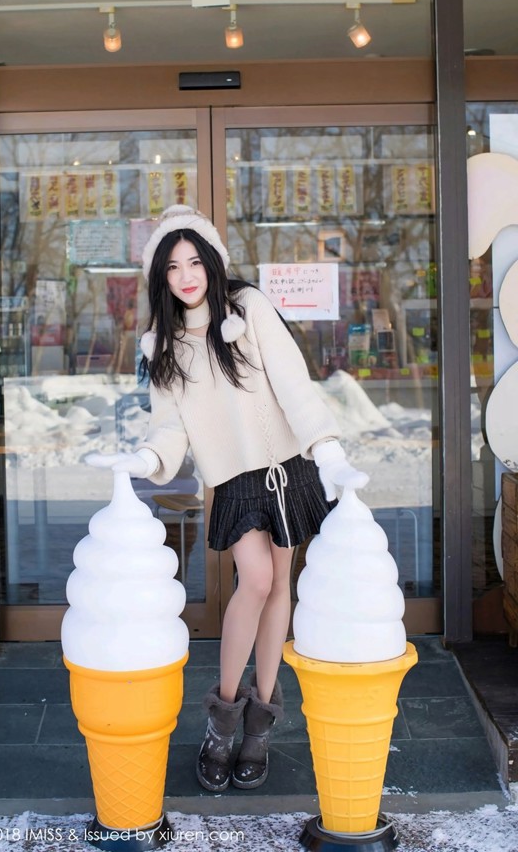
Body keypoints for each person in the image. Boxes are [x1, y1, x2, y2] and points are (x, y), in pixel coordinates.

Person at [87, 204, 368, 793]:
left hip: (288, 466)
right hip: (234, 480)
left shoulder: (250, 309)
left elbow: (294, 382)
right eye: (172, 267)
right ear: (160, 279)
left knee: (279, 585)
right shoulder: (164, 345)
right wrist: (145, 460)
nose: (187, 275)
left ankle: (259, 725)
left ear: (212, 261)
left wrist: (326, 446)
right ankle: (222, 721)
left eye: (194, 260)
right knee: (257, 580)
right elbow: (170, 429)